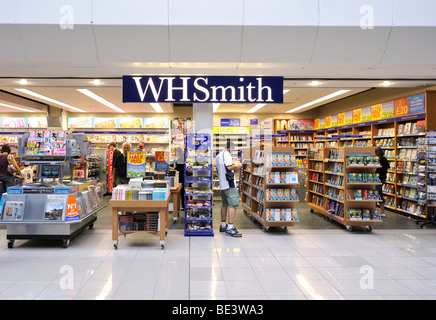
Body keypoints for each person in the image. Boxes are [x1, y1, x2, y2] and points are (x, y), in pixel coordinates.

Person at [216, 141, 242, 237]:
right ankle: (230, 227)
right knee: (233, 204)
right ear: (230, 148)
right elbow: (229, 167)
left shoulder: (218, 156)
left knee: (224, 204)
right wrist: (238, 167)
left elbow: (217, 170)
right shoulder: (226, 154)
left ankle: (223, 225)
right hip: (229, 184)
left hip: (222, 184)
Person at [375, 147, 390, 217]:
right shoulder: (383, 159)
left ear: (377, 153)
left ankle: (374, 210)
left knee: (376, 193)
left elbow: (381, 169)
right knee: (379, 194)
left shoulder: (382, 160)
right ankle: (382, 211)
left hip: (380, 178)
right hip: (381, 178)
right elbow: (387, 167)